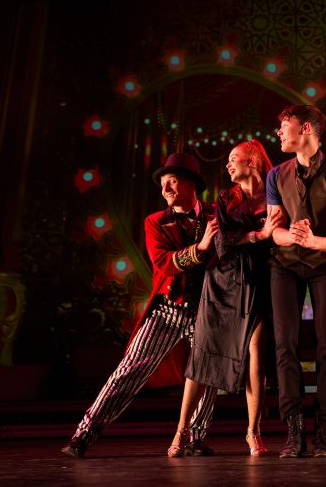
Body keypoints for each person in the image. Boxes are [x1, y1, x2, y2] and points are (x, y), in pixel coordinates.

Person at [61, 152, 219, 459]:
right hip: (168, 309)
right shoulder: (155, 222)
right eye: (163, 184)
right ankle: (84, 434)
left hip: (206, 309)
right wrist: (200, 248)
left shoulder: (216, 216)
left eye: (173, 181)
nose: (166, 189)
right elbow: (164, 263)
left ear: (191, 184)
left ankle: (195, 437)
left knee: (208, 373)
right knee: (131, 368)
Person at [168, 140, 283, 457]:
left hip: (258, 281)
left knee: (256, 351)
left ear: (253, 161)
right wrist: (258, 235)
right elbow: (221, 243)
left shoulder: (276, 193)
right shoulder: (226, 198)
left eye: (235, 158)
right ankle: (181, 430)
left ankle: (253, 431)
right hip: (222, 282)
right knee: (203, 353)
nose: (229, 164)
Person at [266, 104, 326, 458]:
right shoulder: (276, 175)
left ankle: (324, 432)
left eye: (284, 125)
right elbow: (274, 231)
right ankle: (294, 431)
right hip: (285, 265)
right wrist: (291, 235)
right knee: (285, 345)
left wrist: (313, 240)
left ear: (305, 129)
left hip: (325, 265)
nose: (279, 132)